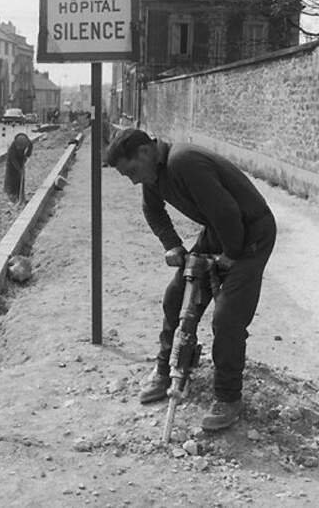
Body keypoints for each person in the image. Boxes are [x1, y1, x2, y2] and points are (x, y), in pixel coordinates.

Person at [106, 128, 276, 430]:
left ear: (145, 152)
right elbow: (153, 211)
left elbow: (227, 211)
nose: (132, 180)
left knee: (227, 317)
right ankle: (168, 369)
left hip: (250, 234)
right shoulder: (154, 174)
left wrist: (231, 257)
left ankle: (228, 397)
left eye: (131, 171)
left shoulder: (183, 162)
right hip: (220, 230)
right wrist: (173, 245)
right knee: (176, 297)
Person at [4, 132, 33, 204]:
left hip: (21, 159)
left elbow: (30, 146)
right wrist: (19, 169)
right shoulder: (11, 149)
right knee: (12, 178)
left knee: (21, 179)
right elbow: (13, 161)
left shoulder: (27, 142)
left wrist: (27, 156)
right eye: (19, 148)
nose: (20, 149)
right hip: (11, 164)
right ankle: (12, 194)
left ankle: (20, 195)